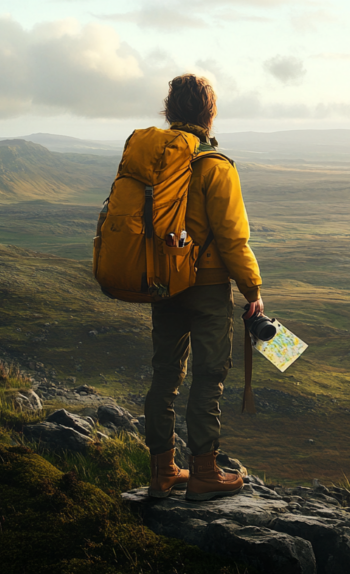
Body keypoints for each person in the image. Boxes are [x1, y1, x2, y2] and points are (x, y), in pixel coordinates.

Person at [145, 74, 263, 501]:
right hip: (208, 286)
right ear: (209, 114)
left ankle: (161, 472)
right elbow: (233, 239)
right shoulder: (215, 166)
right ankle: (205, 473)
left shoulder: (155, 161)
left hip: (163, 284)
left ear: (170, 111)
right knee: (208, 376)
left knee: (165, 375)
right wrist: (253, 291)